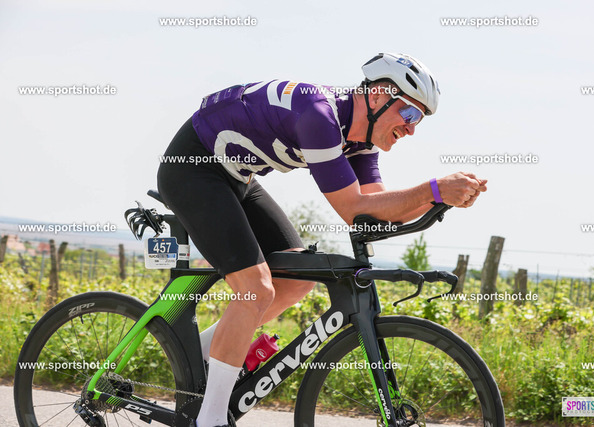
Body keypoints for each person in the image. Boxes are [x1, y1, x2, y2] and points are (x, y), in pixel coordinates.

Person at [157, 52, 487, 427]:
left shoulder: (360, 141)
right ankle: (211, 419)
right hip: (193, 169)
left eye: (419, 120)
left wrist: (439, 199)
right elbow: (352, 208)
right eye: (410, 113)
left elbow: (375, 214)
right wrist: (433, 189)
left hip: (238, 178)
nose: (412, 128)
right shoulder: (319, 115)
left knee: (297, 280)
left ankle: (203, 351)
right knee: (256, 289)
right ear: (378, 95)